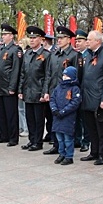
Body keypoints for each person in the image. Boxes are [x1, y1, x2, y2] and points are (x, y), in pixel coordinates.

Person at [43, 26, 83, 155]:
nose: (59, 40)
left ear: (68, 39)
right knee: (55, 120)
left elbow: (78, 76)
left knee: (67, 121)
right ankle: (56, 145)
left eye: (61, 38)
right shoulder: (54, 54)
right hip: (55, 92)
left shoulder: (74, 55)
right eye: (58, 38)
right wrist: (46, 91)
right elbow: (48, 74)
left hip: (68, 93)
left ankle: (70, 147)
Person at [80, 30, 103, 166]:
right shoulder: (89, 55)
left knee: (101, 129)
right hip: (87, 96)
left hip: (98, 98)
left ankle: (102, 154)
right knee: (91, 128)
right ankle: (93, 151)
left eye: (89, 39)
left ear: (98, 41)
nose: (87, 42)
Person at [19, 26, 50, 152]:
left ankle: (38, 141)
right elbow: (23, 73)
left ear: (41, 39)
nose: (31, 40)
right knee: (29, 118)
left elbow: (48, 75)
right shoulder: (27, 54)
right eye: (30, 38)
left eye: (34, 38)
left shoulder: (46, 55)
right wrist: (20, 90)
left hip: (38, 91)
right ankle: (31, 140)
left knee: (38, 119)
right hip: (28, 91)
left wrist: (44, 92)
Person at [0, 24, 22, 146]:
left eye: (5, 34)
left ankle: (13, 138)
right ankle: (3, 135)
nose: (3, 37)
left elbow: (15, 70)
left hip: (8, 85)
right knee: (1, 114)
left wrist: (12, 87)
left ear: (11, 36)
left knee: (11, 114)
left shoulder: (15, 50)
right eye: (2, 34)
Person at [49, 66, 81, 165]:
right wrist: (54, 109)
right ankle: (61, 154)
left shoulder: (75, 89)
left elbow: (74, 103)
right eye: (64, 75)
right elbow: (52, 99)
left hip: (68, 117)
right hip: (57, 116)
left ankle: (69, 156)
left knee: (68, 139)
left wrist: (63, 112)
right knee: (59, 138)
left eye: (67, 76)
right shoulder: (58, 87)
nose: (64, 77)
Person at [73, 29, 91, 151]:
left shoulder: (89, 55)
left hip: (86, 90)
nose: (77, 43)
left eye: (80, 41)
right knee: (77, 117)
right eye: (76, 41)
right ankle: (77, 139)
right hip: (77, 89)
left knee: (86, 119)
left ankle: (86, 141)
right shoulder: (76, 55)